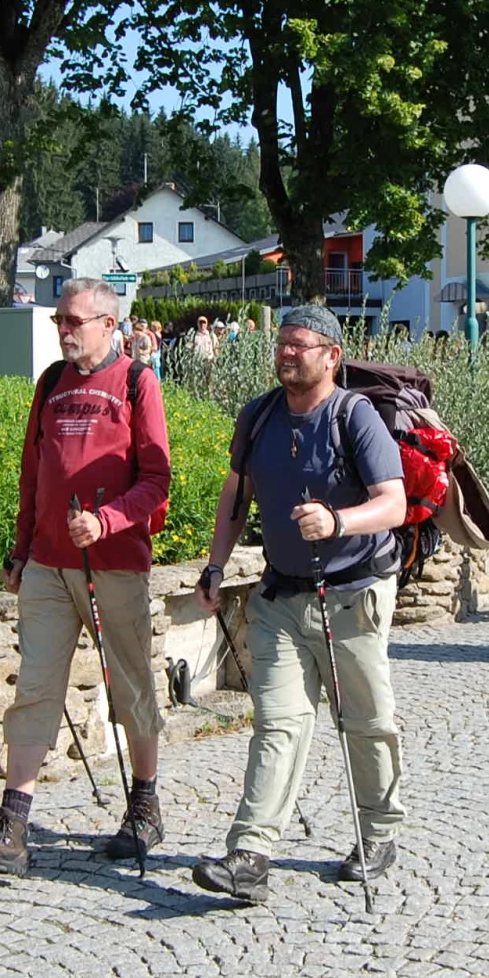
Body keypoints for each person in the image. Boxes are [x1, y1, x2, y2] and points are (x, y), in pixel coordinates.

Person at [0, 279, 173, 877]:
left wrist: (107, 521)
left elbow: (157, 479)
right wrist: (20, 552)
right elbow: (33, 478)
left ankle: (144, 804)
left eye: (73, 321)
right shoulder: (49, 384)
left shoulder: (136, 383)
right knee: (35, 690)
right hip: (48, 564)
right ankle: (12, 829)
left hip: (114, 562)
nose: (64, 330)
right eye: (59, 322)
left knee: (130, 686)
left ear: (107, 322)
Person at [190, 305, 409, 903]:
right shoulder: (258, 416)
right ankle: (250, 855)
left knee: (366, 722)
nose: (287, 353)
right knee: (278, 723)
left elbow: (394, 504)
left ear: (331, 355)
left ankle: (379, 833)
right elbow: (238, 492)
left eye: (300, 345)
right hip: (282, 594)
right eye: (282, 344)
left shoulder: (355, 417)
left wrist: (338, 520)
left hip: (353, 593)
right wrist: (214, 564)